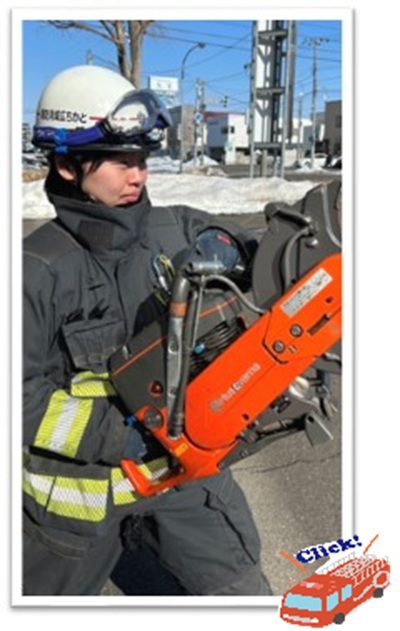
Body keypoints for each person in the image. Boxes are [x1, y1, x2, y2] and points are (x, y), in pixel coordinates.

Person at [23, 64, 272, 597]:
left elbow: (274, 259)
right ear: (67, 165)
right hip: (78, 506)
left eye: (140, 159)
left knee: (244, 597)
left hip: (187, 486)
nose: (138, 176)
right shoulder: (34, 272)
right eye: (120, 162)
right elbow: (18, 400)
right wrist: (124, 435)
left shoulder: (178, 230)